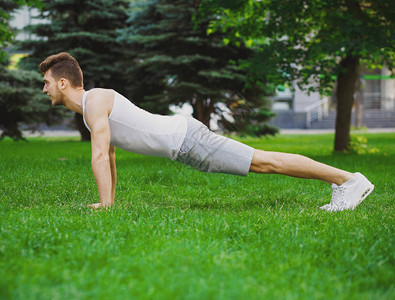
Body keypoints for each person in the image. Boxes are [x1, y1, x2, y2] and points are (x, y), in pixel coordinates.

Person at [40, 52, 374, 212]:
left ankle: (348, 180)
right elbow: (110, 156)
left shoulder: (95, 100)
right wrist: (108, 203)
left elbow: (99, 154)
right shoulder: (91, 109)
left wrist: (103, 203)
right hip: (184, 142)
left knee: (264, 162)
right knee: (262, 162)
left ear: (63, 82)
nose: (44, 90)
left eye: (47, 83)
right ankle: (345, 181)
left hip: (188, 140)